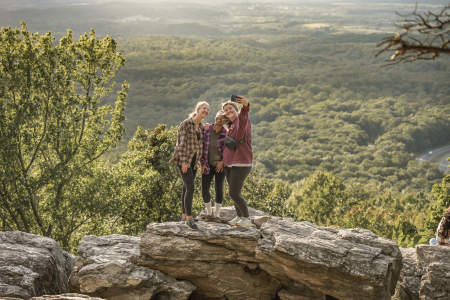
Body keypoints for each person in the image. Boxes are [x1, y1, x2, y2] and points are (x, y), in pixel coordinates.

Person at [170, 101, 209, 229]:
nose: (206, 111)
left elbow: (200, 146)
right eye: (204, 108)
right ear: (197, 109)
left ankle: (183, 215)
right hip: (184, 160)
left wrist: (200, 163)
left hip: (194, 162)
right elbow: (180, 144)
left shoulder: (201, 127)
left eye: (207, 110)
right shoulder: (186, 124)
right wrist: (184, 162)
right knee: (190, 188)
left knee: (186, 188)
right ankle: (189, 217)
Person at [222, 96, 254, 227]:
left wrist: (246, 105)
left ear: (236, 110)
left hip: (241, 163)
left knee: (234, 193)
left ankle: (246, 218)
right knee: (234, 192)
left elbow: (244, 113)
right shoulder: (231, 126)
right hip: (230, 164)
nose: (228, 111)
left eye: (230, 109)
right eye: (226, 110)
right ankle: (239, 216)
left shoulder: (241, 121)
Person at [200, 111, 227, 218]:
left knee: (218, 188)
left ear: (225, 121)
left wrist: (222, 161)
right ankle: (208, 212)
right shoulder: (206, 130)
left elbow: (229, 150)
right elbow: (201, 147)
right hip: (207, 164)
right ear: (215, 117)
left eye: (222, 119)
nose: (219, 120)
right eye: (217, 118)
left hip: (220, 165)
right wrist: (202, 163)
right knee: (204, 188)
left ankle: (217, 213)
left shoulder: (226, 133)